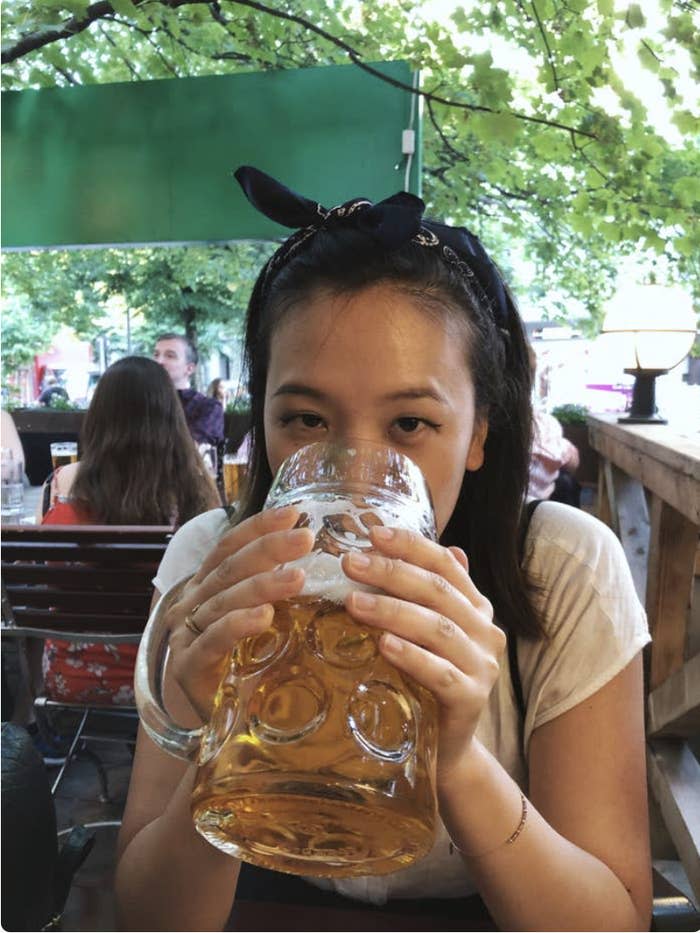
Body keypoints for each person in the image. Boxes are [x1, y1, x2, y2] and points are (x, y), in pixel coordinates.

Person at [115, 167, 652, 931]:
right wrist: (205, 741)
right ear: (260, 417)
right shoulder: (211, 557)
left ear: (481, 432)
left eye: (409, 425)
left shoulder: (563, 567)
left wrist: (459, 759)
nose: (349, 475)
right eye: (304, 418)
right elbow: (147, 920)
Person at [37, 356, 220, 707]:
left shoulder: (61, 485)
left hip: (69, 679)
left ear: (98, 418)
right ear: (171, 418)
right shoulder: (193, 492)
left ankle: (29, 719)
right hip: (164, 681)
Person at [527, 345, 581, 507]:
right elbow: (570, 460)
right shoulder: (544, 423)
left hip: (538, 504)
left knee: (567, 483)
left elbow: (571, 459)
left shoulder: (544, 423)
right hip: (537, 506)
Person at [154, 333, 224, 447]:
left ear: (189, 368)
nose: (159, 361)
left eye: (170, 356)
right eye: (156, 355)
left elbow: (191, 451)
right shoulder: (145, 403)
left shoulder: (208, 407)